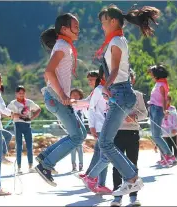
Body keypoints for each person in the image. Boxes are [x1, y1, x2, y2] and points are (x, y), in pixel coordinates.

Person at [83, 4, 160, 196]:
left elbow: (116, 69)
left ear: (113, 21)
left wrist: (106, 87)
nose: (102, 26)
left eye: (103, 22)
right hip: (120, 92)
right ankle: (129, 179)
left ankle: (131, 179)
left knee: (106, 143)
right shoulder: (116, 40)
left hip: (120, 92)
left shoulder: (116, 41)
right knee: (106, 142)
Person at [35, 13, 87, 187]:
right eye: (75, 26)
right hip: (57, 98)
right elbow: (49, 71)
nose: (78, 30)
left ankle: (44, 157)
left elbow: (49, 74)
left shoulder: (65, 45)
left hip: (55, 97)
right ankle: (46, 166)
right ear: (64, 29)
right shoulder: (63, 46)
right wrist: (63, 95)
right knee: (77, 136)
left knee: (80, 134)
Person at [111, 69, 147, 206]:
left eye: (129, 78)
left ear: (132, 80)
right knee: (117, 165)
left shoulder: (137, 95)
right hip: (117, 133)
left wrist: (135, 117)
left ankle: (133, 196)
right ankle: (117, 196)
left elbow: (144, 113)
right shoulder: (114, 94)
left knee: (133, 164)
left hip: (132, 133)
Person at [75, 70, 112, 195]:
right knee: (105, 156)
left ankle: (95, 180)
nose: (90, 82)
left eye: (92, 79)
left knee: (102, 155)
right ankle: (94, 179)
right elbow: (90, 107)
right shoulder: (98, 90)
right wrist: (92, 126)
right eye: (89, 80)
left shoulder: (101, 89)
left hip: (104, 126)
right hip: (102, 127)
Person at [148, 64, 177, 167]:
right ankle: (166, 156)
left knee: (156, 135)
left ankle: (170, 155)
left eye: (151, 72)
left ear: (156, 74)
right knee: (155, 135)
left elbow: (164, 99)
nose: (150, 74)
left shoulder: (162, 85)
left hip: (157, 109)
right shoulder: (158, 83)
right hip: (152, 108)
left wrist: (165, 110)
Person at [7, 85, 41, 174]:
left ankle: (30, 166)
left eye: (23, 93)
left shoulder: (29, 102)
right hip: (18, 125)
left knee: (29, 146)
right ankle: (18, 168)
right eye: (19, 93)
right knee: (19, 146)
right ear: (16, 94)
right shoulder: (13, 103)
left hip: (27, 125)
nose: (21, 95)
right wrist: (14, 115)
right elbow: (6, 113)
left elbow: (38, 109)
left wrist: (32, 117)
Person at [70, 88, 85, 172]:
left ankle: (81, 164)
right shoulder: (69, 106)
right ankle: (73, 165)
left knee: (79, 148)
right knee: (72, 148)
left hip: (80, 129)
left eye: (77, 95)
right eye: (73, 95)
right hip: (72, 128)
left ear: (80, 96)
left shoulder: (82, 105)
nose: (75, 96)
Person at [161, 94, 177, 160]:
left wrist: (174, 128)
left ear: (170, 100)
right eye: (164, 100)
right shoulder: (161, 108)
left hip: (172, 128)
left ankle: (175, 158)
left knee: (174, 144)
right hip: (165, 129)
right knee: (168, 144)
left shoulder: (172, 108)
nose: (166, 101)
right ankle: (170, 158)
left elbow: (175, 118)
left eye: (167, 100)